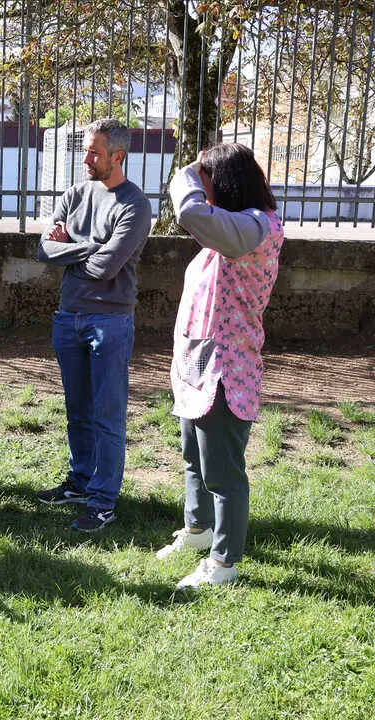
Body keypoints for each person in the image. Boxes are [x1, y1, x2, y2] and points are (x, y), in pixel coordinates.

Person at [155, 144, 284, 589]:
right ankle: (198, 530)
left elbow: (192, 214)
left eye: (207, 182)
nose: (202, 191)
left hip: (228, 368)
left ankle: (224, 562)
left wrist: (185, 175)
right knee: (195, 457)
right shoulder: (229, 233)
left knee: (223, 473)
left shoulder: (255, 229)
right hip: (199, 364)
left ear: (224, 183)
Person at [35, 118, 152, 533]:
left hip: (110, 321)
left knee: (107, 414)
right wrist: (84, 247)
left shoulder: (134, 205)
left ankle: (103, 500)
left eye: (95, 152)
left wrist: (72, 246)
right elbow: (44, 249)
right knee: (77, 410)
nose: (86, 159)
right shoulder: (75, 193)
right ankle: (80, 481)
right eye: (85, 150)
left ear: (117, 156)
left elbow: (106, 268)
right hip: (69, 317)